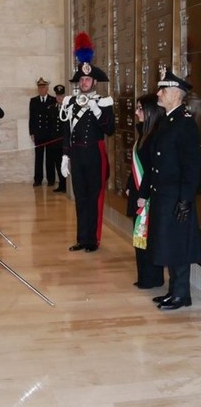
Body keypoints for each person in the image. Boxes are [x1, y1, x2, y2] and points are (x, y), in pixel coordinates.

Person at [149, 68, 200, 310]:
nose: (158, 93)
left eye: (163, 90)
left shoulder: (185, 123)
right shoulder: (168, 119)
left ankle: (182, 294)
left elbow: (191, 166)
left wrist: (185, 200)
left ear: (176, 95)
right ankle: (173, 291)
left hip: (176, 196)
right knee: (168, 242)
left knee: (178, 245)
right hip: (164, 194)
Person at [60, 32, 115, 252]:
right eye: (81, 79)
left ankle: (93, 240)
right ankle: (82, 238)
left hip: (95, 153)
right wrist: (65, 155)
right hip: (77, 154)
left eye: (88, 79)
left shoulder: (104, 102)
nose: (84, 82)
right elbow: (66, 129)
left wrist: (97, 110)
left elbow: (110, 130)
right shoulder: (70, 103)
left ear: (94, 82)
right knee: (80, 197)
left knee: (95, 197)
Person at [125, 93, 165, 290]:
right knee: (139, 238)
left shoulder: (154, 137)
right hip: (138, 193)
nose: (136, 112)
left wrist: (143, 195)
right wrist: (128, 185)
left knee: (146, 238)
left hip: (146, 196)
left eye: (140, 109)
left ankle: (151, 279)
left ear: (150, 111)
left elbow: (150, 170)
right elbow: (136, 163)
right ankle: (144, 276)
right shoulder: (143, 133)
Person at [29, 77, 57, 186]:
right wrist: (31, 132)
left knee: (50, 157)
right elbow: (32, 118)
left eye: (43, 87)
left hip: (50, 133)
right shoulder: (34, 101)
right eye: (39, 87)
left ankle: (51, 179)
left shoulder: (53, 100)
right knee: (38, 157)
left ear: (47, 88)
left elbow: (55, 119)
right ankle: (38, 179)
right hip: (39, 133)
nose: (41, 89)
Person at [50, 84, 67, 193]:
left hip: (64, 141)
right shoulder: (52, 108)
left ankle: (66, 185)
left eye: (61, 96)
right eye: (57, 96)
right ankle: (61, 184)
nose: (59, 98)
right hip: (55, 142)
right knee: (57, 163)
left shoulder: (68, 108)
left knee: (64, 163)